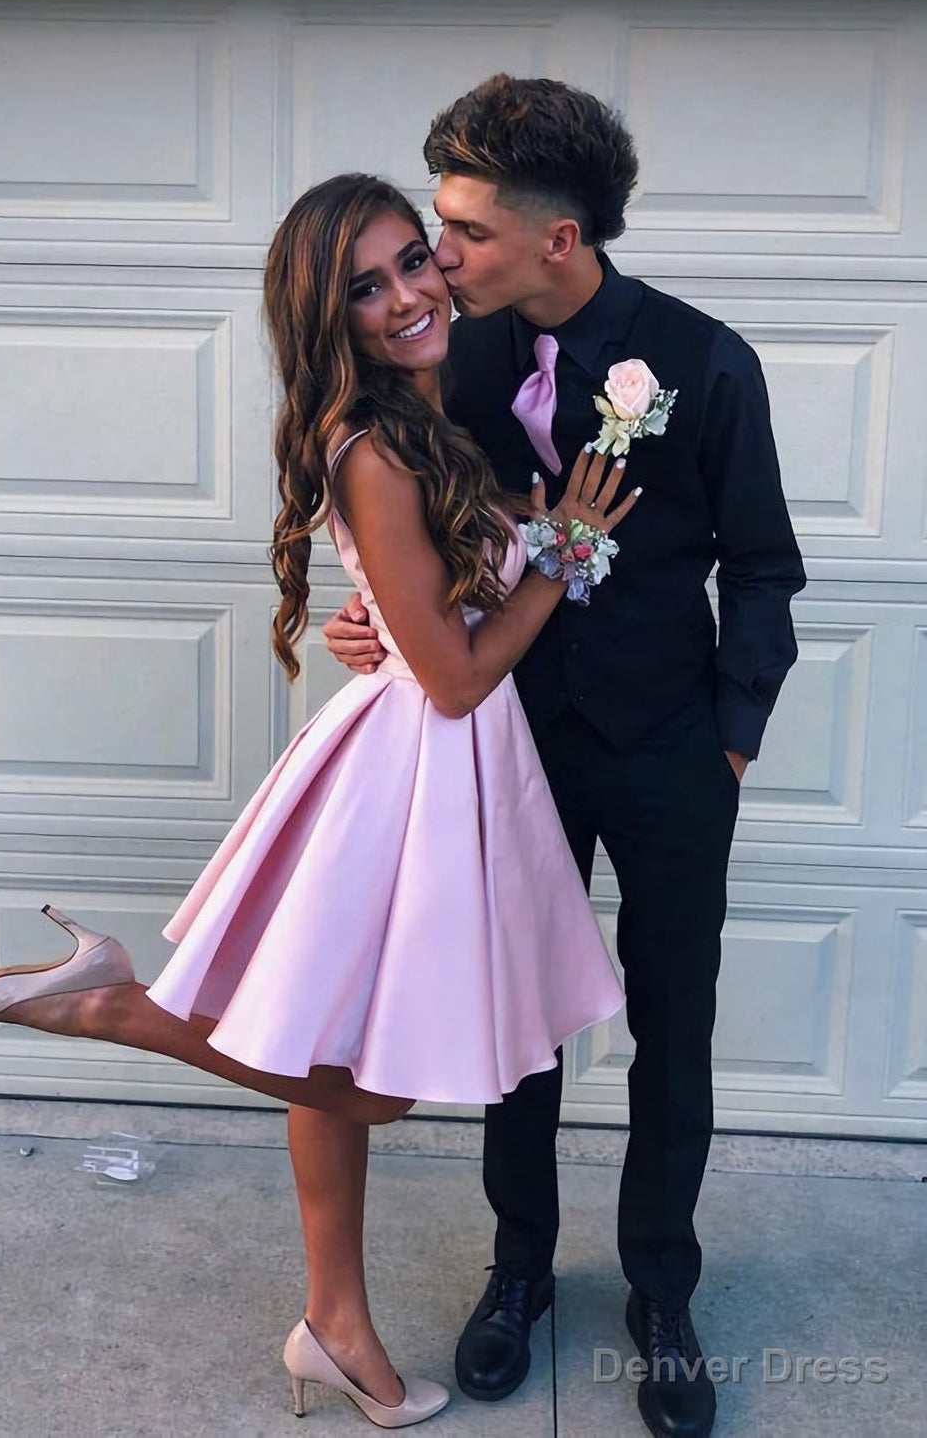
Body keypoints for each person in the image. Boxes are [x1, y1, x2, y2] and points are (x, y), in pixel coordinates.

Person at [0, 173, 636, 1429]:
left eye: (413, 260)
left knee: (328, 1049)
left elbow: (426, 605)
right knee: (366, 1083)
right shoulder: (372, 445)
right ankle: (103, 1002)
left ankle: (336, 1324)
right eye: (366, 287)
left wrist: (483, 560)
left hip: (437, 759)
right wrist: (568, 553)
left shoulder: (428, 412)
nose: (407, 295)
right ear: (329, 317)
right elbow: (457, 675)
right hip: (416, 767)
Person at [323, 77, 807, 1438]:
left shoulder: (707, 363)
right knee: (516, 1028)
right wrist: (378, 619)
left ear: (559, 238)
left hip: (669, 750)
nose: (438, 257)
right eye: (437, 227)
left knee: (674, 1029)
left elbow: (762, 567)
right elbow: (413, 534)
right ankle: (520, 1271)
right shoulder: (449, 361)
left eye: (464, 232)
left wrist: (729, 740)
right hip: (506, 743)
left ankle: (663, 1294)